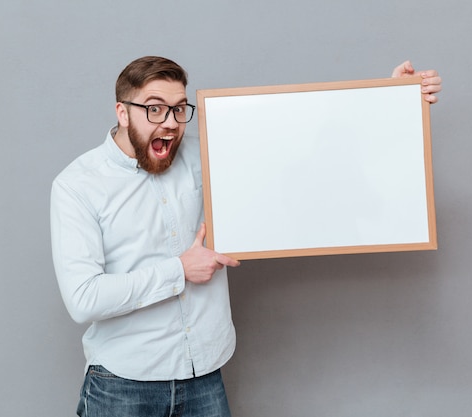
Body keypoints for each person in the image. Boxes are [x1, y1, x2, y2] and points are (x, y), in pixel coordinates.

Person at [50, 56, 442, 417]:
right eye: (154, 108)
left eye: (179, 108)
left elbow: (301, 151)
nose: (170, 121)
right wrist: (179, 271)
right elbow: (84, 299)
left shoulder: (205, 153)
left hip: (204, 375)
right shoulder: (77, 186)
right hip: (122, 385)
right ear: (122, 112)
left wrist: (390, 100)